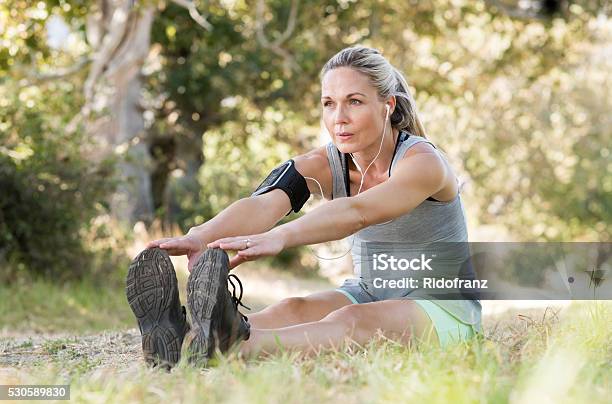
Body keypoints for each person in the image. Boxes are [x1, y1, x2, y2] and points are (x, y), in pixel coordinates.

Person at [126, 46, 482, 368]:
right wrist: (200, 236)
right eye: (329, 103)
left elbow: (356, 212)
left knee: (349, 323)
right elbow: (264, 204)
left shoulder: (423, 163)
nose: (338, 117)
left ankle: (230, 347)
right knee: (291, 309)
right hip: (370, 290)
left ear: (387, 105)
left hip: (442, 305)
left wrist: (281, 238)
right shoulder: (323, 163)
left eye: (354, 101)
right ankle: (182, 339)